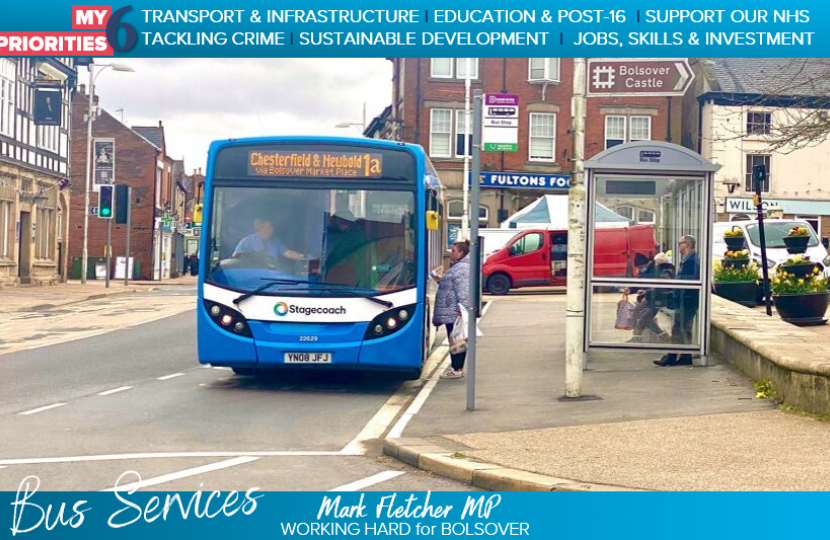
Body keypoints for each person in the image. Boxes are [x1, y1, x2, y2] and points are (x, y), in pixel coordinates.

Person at [654, 235, 700, 367]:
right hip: (685, 300)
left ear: (686, 244)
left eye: (680, 243)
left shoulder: (691, 261)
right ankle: (683, 356)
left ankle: (673, 357)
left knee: (680, 328)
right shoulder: (687, 260)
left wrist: (678, 296)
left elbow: (688, 283)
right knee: (682, 328)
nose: (678, 246)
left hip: (686, 301)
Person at [433, 241, 471, 379]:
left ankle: (456, 369)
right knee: (456, 338)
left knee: (456, 339)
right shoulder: (458, 267)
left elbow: (463, 290)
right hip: (452, 310)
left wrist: (463, 308)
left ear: (461, 253)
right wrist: (438, 278)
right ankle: (457, 368)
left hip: (455, 311)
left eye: (453, 250)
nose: (451, 253)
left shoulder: (461, 268)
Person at [232, 217, 304, 263]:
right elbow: (235, 258)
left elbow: (287, 252)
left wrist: (302, 257)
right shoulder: (247, 242)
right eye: (269, 227)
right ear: (260, 228)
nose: (272, 229)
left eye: (272, 227)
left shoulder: (275, 242)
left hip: (271, 274)